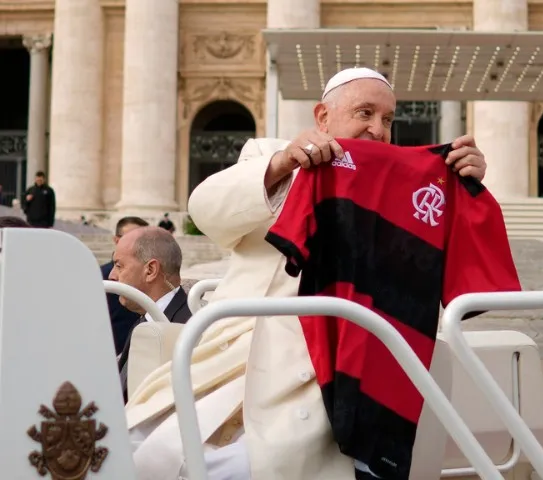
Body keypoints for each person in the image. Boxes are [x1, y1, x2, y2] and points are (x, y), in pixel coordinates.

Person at [125, 67, 490, 480]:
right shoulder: (272, 154)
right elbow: (207, 209)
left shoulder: (407, 186)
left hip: (333, 363)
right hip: (238, 349)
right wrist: (283, 164)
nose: (378, 129)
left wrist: (464, 191)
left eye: (387, 120)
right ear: (322, 117)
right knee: (137, 448)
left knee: (237, 467)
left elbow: (448, 275)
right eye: (365, 113)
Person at [109, 226, 191, 401]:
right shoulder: (145, 318)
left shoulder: (186, 327)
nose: (111, 276)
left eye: (118, 266)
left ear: (151, 270)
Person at [101, 216, 150, 354]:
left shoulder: (155, 275)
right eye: (131, 239)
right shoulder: (99, 276)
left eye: (144, 240)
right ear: (116, 240)